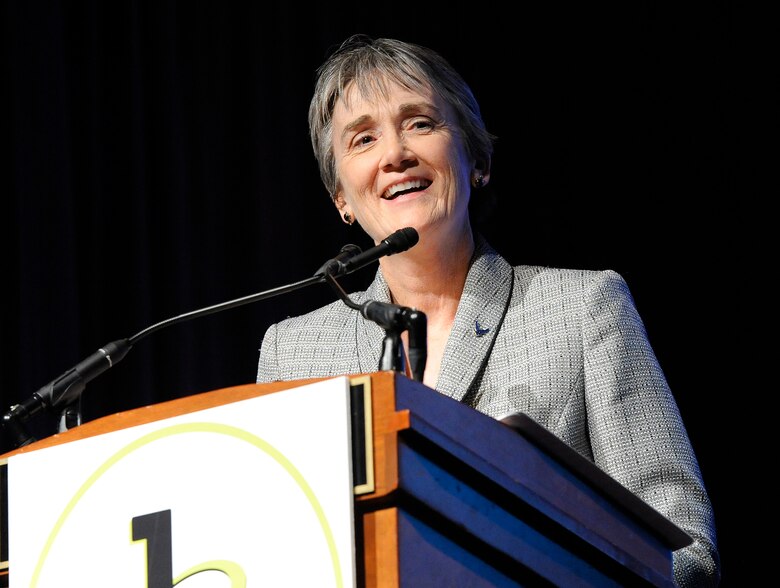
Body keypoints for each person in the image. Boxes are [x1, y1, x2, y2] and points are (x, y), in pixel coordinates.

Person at [256, 34, 720, 586]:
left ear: (476, 159)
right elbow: (273, 549)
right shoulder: (293, 352)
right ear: (341, 199)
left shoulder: (581, 310)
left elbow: (685, 548)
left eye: (421, 123)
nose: (394, 153)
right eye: (363, 139)